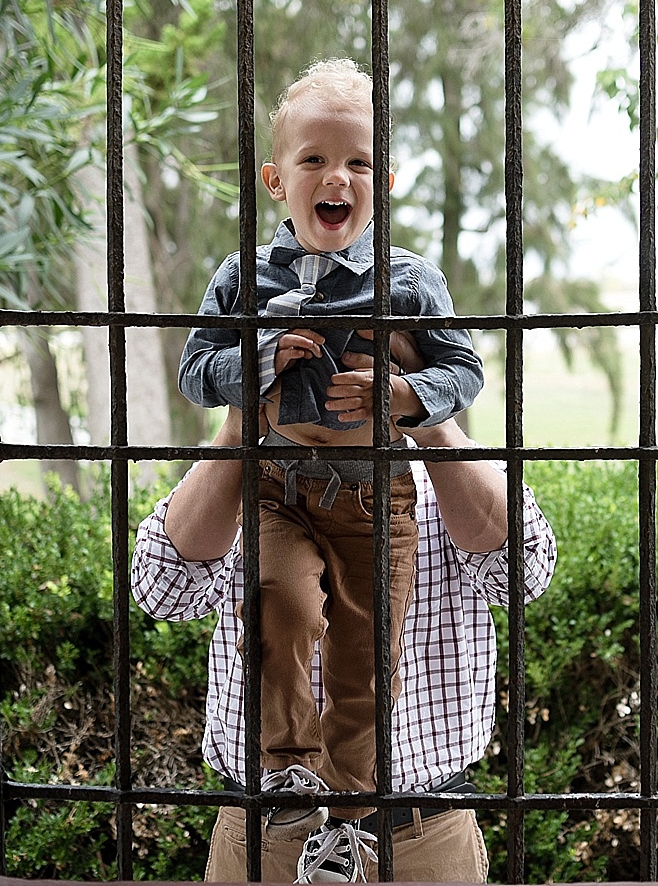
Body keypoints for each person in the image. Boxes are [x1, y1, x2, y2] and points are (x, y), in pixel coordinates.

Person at [174, 59, 488, 880]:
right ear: (279, 179)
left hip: (375, 500)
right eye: (314, 160)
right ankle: (285, 766)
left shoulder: (410, 282)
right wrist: (257, 363)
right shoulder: (245, 279)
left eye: (356, 163)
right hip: (279, 490)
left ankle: (349, 815)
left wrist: (406, 394)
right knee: (275, 601)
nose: (335, 177)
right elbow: (195, 368)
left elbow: (465, 371)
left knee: (364, 651)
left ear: (381, 181)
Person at [133, 342, 556, 882]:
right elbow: (162, 589)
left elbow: (522, 576)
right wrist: (240, 427)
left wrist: (428, 422)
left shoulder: (446, 473)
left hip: (423, 832)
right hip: (267, 830)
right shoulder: (253, 476)